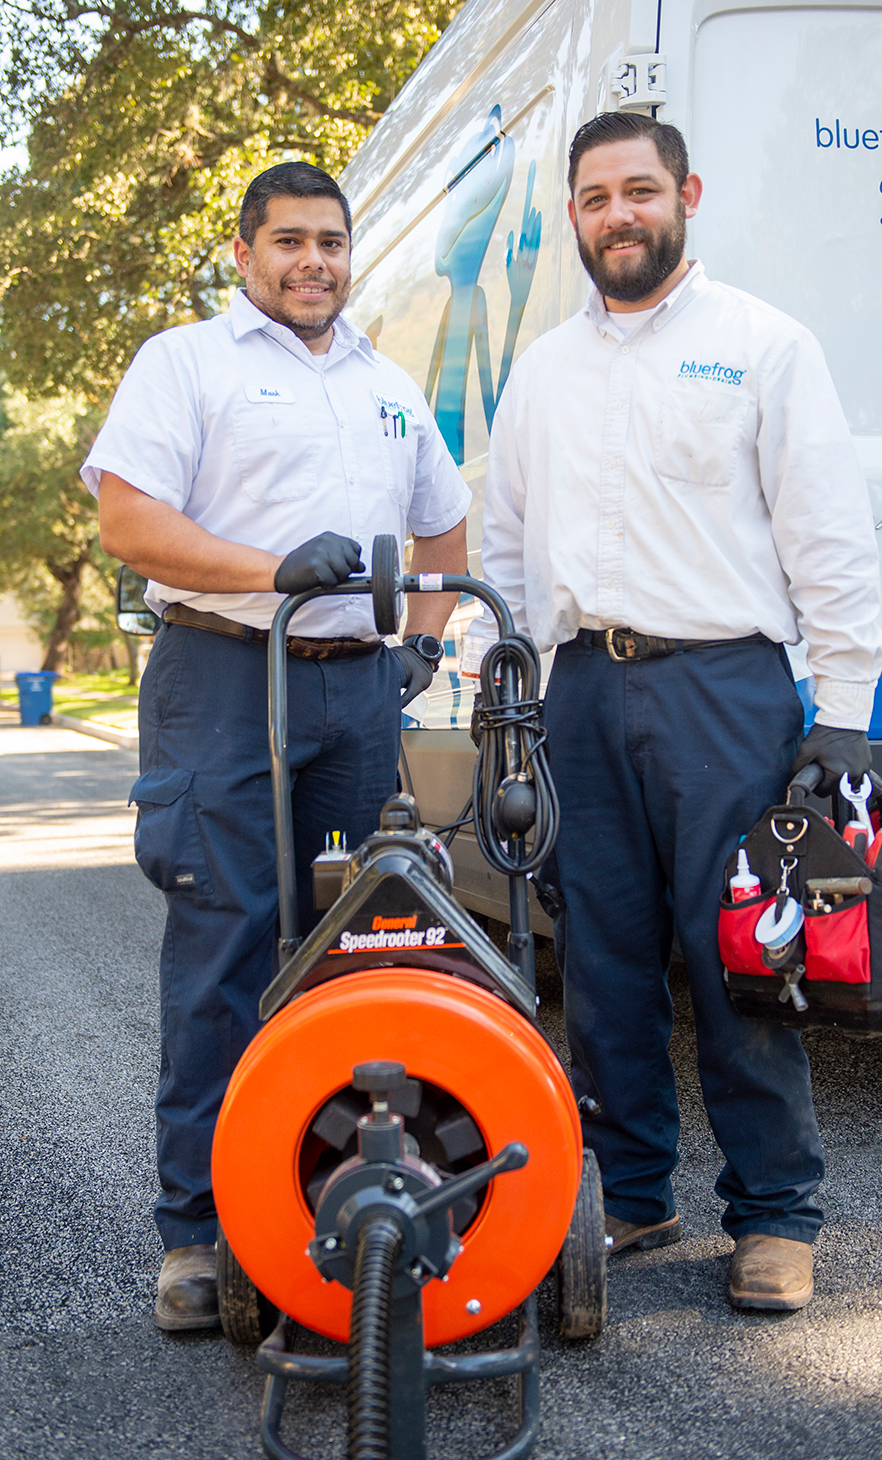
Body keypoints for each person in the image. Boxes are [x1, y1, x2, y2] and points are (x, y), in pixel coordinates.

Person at [481, 112, 881, 1311]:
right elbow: (503, 544)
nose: (619, 215)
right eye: (596, 197)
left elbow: (827, 536)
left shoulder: (763, 344)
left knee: (738, 959)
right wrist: (501, 689)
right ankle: (631, 1188)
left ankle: (774, 1217)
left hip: (725, 688)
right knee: (599, 959)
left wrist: (847, 712)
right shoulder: (544, 369)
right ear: (574, 217)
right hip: (581, 690)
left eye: (639, 191)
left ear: (685, 196)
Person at [81, 161, 469, 1329]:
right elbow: (127, 517)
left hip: (358, 694)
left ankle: (332, 1193)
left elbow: (444, 521)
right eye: (290, 240)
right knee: (227, 949)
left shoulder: (388, 383)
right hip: (221, 676)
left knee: (362, 943)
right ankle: (196, 1235)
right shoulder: (185, 363)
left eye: (331, 243)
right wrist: (268, 569)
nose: (314, 262)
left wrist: (424, 649)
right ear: (244, 253)